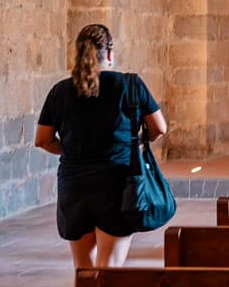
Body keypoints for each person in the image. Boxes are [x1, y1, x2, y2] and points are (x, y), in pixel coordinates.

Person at [34, 23, 167, 269]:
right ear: (109, 53)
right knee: (109, 269)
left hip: (74, 186)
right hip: (116, 184)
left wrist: (69, 150)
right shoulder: (130, 85)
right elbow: (160, 127)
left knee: (83, 269)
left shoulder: (60, 91)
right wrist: (136, 141)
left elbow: (42, 139)